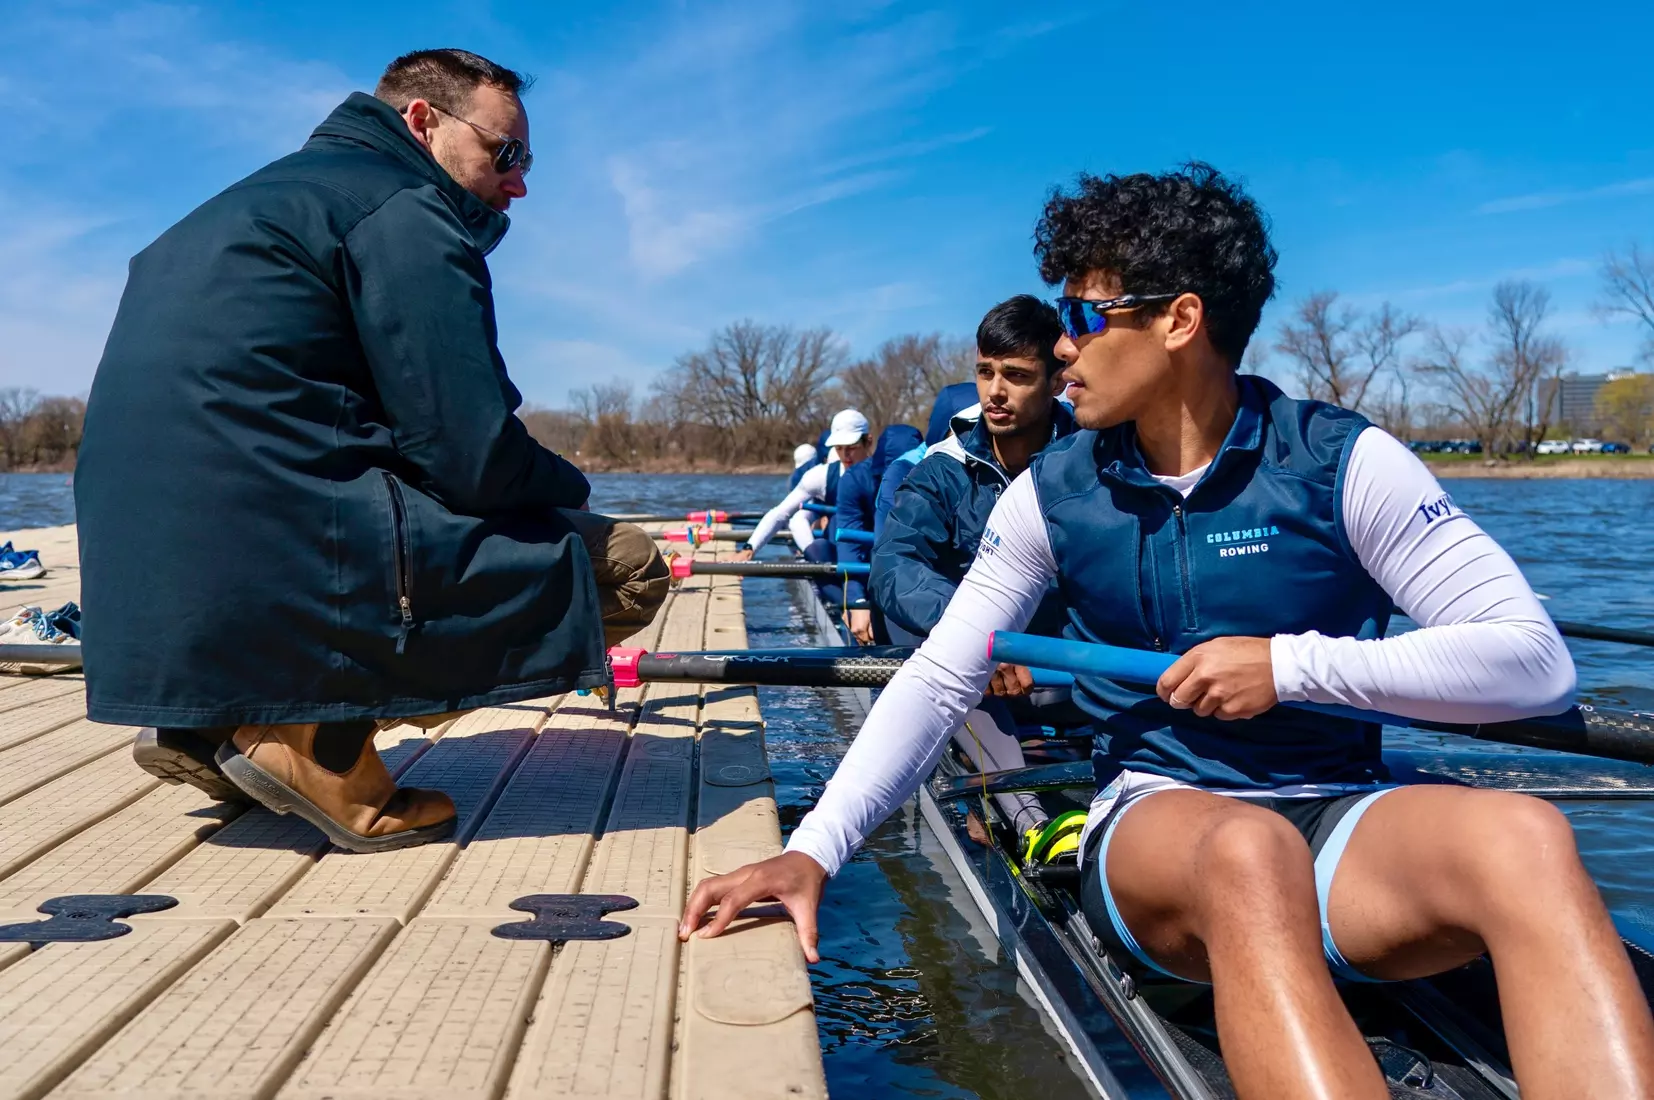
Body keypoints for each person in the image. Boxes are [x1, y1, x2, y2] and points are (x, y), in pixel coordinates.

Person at [682, 165, 1654, 1099]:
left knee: (1527, 834)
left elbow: (1533, 662)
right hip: (1161, 822)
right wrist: (813, 848)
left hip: (1342, 815)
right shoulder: (1048, 498)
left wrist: (1291, 666)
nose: (1062, 347)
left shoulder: (1344, 464)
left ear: (1180, 319)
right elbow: (942, 679)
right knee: (1247, 851)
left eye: (1080, 316)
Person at [78, 49, 668, 855]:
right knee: (627, 562)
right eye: (507, 153)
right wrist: (571, 486)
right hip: (275, 557)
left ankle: (209, 718)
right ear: (423, 121)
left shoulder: (241, 206)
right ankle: (316, 740)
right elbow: (473, 454)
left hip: (147, 604)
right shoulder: (401, 208)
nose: (521, 181)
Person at [734, 409, 873, 561]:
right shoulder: (820, 476)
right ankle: (814, 560)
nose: (845, 455)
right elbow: (780, 513)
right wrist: (749, 548)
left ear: (869, 442)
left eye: (852, 448)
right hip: (840, 550)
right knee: (807, 524)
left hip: (877, 549)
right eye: (839, 448)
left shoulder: (886, 474)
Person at [833, 423, 923, 644]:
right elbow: (849, 548)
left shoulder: (935, 474)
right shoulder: (854, 479)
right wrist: (857, 601)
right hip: (865, 556)